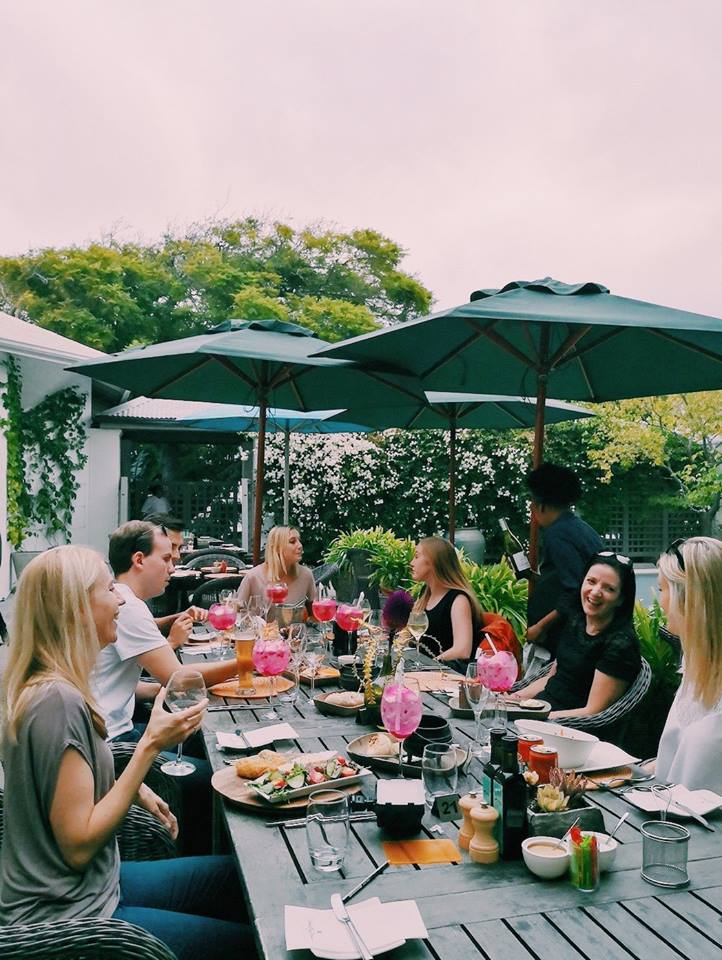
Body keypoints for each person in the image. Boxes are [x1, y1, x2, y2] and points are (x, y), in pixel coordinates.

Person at [0, 546, 253, 960]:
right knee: (252, 944)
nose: (120, 599)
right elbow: (78, 847)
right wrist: (149, 745)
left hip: (99, 884)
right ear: (76, 608)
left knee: (238, 877)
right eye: (108, 590)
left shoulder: (51, 685)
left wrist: (133, 788)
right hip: (77, 918)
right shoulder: (57, 702)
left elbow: (64, 782)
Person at [91, 520, 240, 853]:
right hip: (114, 745)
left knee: (211, 745)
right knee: (219, 776)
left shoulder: (124, 601)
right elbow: (181, 679)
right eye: (166, 558)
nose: (173, 566)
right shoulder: (127, 606)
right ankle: (199, 860)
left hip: (116, 728)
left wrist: (170, 623)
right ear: (139, 560)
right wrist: (246, 663)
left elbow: (118, 682)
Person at [511, 552, 640, 720]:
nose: (595, 592)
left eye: (609, 588)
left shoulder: (620, 644)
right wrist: (514, 700)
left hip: (570, 726)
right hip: (542, 711)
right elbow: (552, 679)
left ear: (621, 599)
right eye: (591, 581)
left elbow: (593, 711)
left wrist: (535, 718)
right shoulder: (576, 621)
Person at [654, 537, 722, 792]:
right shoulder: (695, 667)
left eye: (662, 589)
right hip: (666, 808)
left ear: (690, 598)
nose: (660, 602)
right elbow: (676, 760)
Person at [526, 463, 603, 655]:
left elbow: (575, 591)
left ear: (541, 505)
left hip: (568, 639)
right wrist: (535, 577)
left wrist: (541, 627)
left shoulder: (558, 534)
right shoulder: (581, 528)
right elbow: (567, 577)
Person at [410, 537, 483, 663]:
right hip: (423, 668)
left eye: (416, 557)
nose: (412, 563)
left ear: (433, 561)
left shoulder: (458, 600)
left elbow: (462, 650)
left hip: (445, 672)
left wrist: (430, 664)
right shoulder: (425, 593)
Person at [143, 512, 208, 642]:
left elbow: (146, 624)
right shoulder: (124, 596)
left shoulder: (172, 581)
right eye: (171, 547)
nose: (177, 555)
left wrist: (183, 616)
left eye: (179, 548)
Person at [237, 525, 316, 620]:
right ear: (277, 548)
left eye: (299, 540)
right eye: (292, 541)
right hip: (260, 629)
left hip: (294, 629)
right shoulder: (253, 577)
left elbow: (314, 615)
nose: (300, 546)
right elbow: (237, 613)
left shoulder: (306, 575)